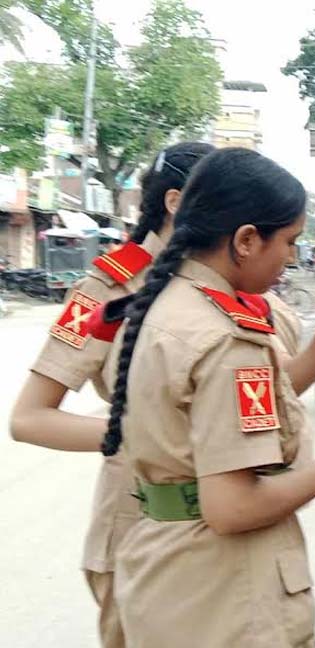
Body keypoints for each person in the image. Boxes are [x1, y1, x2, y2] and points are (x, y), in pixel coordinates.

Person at [100, 148, 315, 646]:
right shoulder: (227, 339)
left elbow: (258, 407)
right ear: (247, 240)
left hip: (165, 577)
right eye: (290, 242)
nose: (293, 258)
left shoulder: (165, 305)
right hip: (226, 600)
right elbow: (231, 507)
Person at [9, 141, 214, 648]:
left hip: (223, 520)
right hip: (136, 523)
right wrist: (136, 432)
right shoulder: (106, 291)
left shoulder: (230, 287)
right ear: (174, 203)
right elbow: (30, 417)